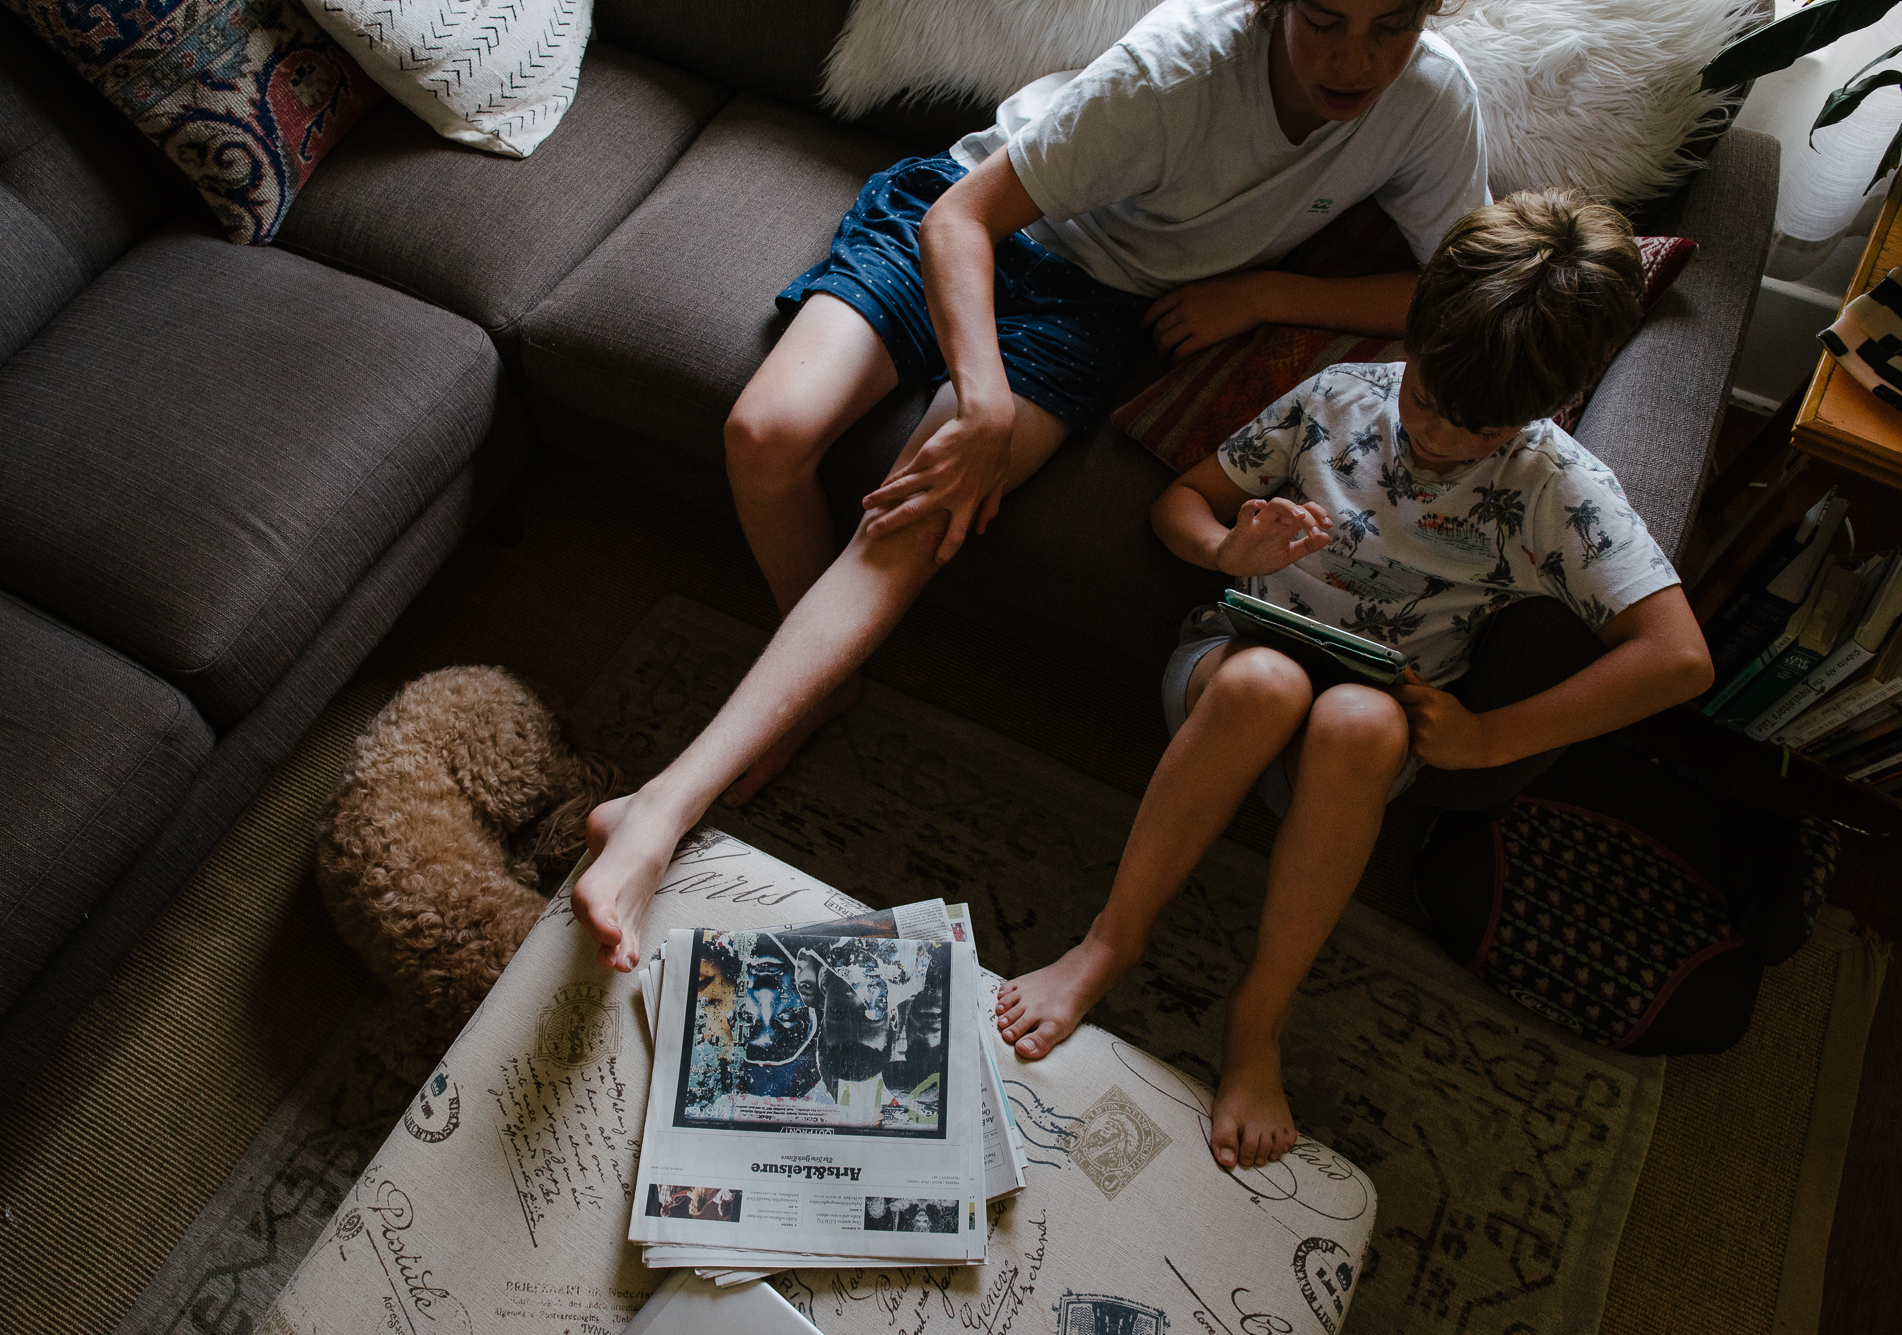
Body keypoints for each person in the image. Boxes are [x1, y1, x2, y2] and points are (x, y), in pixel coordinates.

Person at [573, 0, 1492, 974]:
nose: (1355, 56)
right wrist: (981, 405)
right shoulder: (1177, 67)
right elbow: (960, 219)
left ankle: (659, 812)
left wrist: (1267, 294)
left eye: (1389, 24)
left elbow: (1454, 287)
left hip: (1093, 303)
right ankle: (815, 687)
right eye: (1325, 19)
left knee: (914, 519)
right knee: (763, 434)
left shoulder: (1429, 100)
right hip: (960, 214)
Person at [992, 190, 1716, 1171]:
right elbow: (1182, 501)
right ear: (1412, 337)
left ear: (1543, 403)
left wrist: (1491, 738)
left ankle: (1256, 1022)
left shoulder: (1555, 489)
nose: (1438, 436)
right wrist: (1224, 543)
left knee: (1356, 722)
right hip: (1225, 680)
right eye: (1425, 398)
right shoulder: (1341, 394)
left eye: (1476, 427)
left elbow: (1676, 658)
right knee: (1262, 687)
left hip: (1362, 745)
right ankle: (1107, 944)